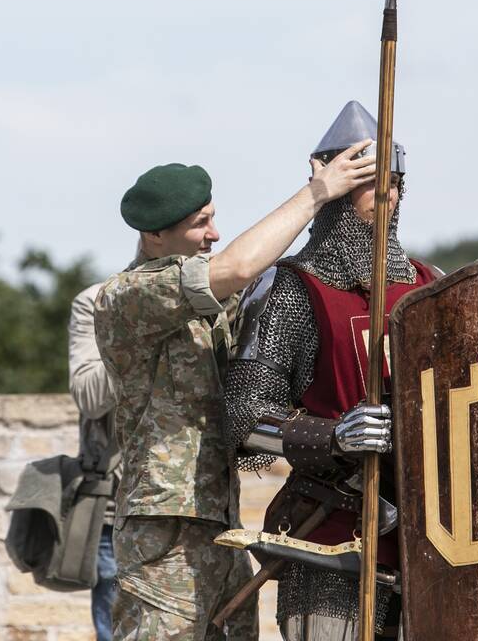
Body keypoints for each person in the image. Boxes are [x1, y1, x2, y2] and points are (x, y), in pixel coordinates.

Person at [94, 145, 376, 641]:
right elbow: (240, 266)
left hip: (219, 521)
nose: (214, 234)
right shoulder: (129, 295)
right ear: (154, 234)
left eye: (214, 218)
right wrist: (318, 192)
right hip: (164, 529)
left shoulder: (206, 304)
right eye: (200, 223)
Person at [224, 101, 439, 640]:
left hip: (431, 539)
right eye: (370, 183)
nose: (385, 196)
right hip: (334, 537)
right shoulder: (295, 288)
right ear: (338, 187)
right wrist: (334, 434)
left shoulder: (432, 286)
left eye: (394, 183)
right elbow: (242, 416)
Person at [69, 279, 122, 641]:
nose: (213, 236)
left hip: (200, 510)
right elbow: (89, 396)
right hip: (116, 512)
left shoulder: (222, 296)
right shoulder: (97, 301)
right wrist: (140, 333)